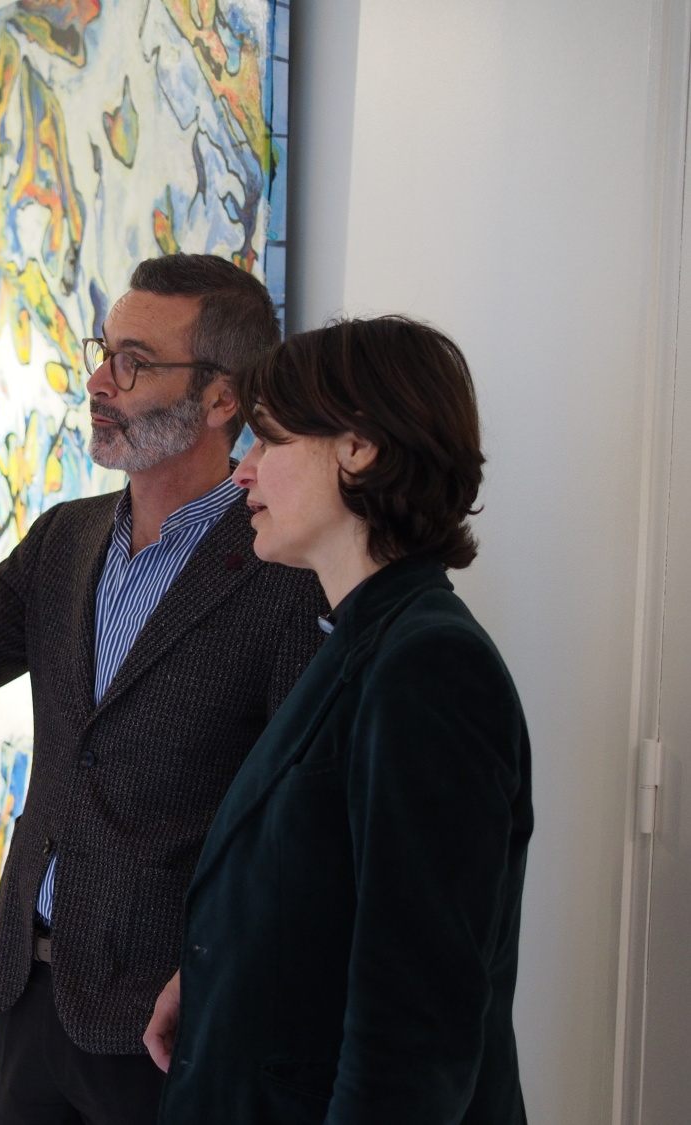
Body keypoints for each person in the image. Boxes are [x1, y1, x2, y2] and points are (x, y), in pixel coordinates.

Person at [0, 253, 326, 1124]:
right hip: (30, 990)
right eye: (104, 354)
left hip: (172, 1022)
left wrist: (223, 977)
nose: (100, 383)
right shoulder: (65, 539)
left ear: (222, 399)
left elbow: (300, 824)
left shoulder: (284, 575)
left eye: (133, 363)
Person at [147, 316, 533, 1123]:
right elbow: (326, 891)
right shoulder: (361, 641)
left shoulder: (429, 669)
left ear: (359, 449)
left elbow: (414, 1034)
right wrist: (213, 980)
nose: (244, 472)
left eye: (270, 440)